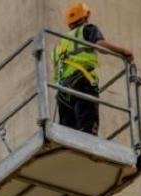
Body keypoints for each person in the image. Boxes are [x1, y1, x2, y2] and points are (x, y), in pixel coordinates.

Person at [54, 4, 134, 136]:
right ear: (86, 16)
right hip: (82, 83)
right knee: (87, 130)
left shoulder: (61, 42)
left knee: (67, 135)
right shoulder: (87, 29)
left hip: (63, 92)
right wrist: (124, 52)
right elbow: (100, 46)